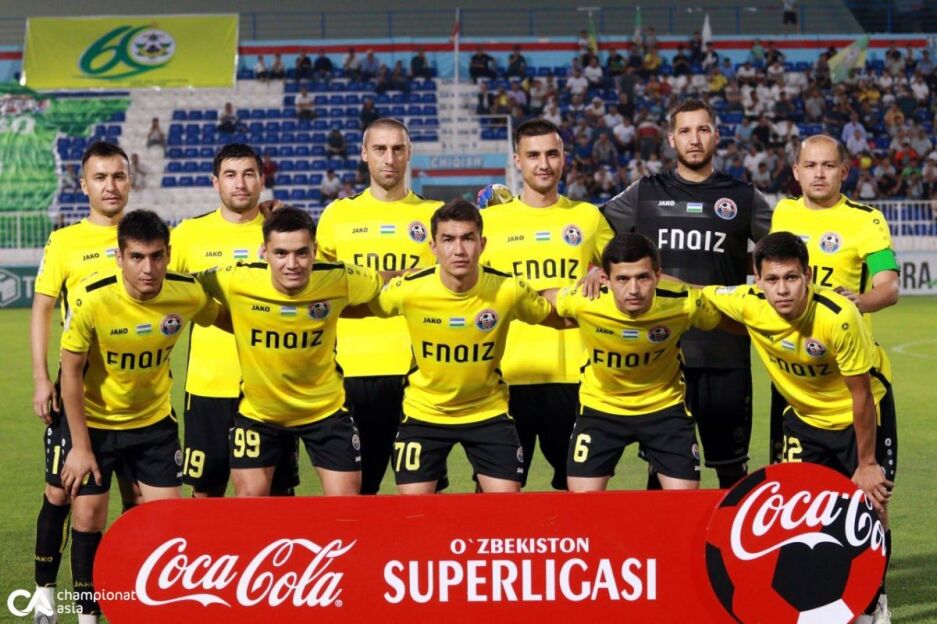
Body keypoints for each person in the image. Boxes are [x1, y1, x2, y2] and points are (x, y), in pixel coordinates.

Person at [702, 231, 895, 624]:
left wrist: (866, 463)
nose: (782, 289)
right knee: (803, 509)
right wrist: (620, 274)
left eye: (791, 277)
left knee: (870, 506)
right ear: (757, 280)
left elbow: (860, 394)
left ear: (808, 275)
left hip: (859, 413)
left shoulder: (839, 316)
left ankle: (874, 601)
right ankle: (811, 599)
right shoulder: (748, 302)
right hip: (803, 419)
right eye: (772, 279)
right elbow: (690, 294)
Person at [58, 210, 222, 622]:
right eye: (136, 257)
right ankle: (87, 615)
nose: (147, 269)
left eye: (156, 257)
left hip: (154, 426)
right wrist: (79, 447)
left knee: (168, 521)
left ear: (168, 255)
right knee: (88, 516)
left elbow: (227, 317)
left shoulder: (187, 292)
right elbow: (70, 374)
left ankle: (147, 606)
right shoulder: (91, 299)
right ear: (119, 257)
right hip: (96, 425)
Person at [601, 99, 773, 490]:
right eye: (685, 131)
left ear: (716, 135)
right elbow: (592, 231)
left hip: (724, 352)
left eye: (702, 130)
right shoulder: (645, 193)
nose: (694, 139)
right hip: (660, 356)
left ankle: (729, 533)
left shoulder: (743, 197)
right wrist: (598, 267)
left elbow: (781, 249)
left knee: (730, 470)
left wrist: (755, 271)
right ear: (671, 139)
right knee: (662, 472)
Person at [364, 200, 566, 494]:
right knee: (413, 509)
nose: (458, 250)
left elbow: (555, 312)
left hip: (487, 412)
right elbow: (355, 304)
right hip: (425, 413)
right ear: (433, 247)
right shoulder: (409, 289)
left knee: (506, 504)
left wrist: (600, 286)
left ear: (482, 244)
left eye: (467, 238)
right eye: (448, 239)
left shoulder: (507, 289)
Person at [30, 142, 143, 620]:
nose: (110, 186)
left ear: (130, 181)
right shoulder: (65, 241)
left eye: (118, 176)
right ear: (84, 185)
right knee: (62, 492)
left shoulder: (147, 237)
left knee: (135, 502)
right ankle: (44, 595)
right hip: (78, 388)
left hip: (139, 390)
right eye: (100, 177)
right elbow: (42, 309)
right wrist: (42, 378)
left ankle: (116, 599)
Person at [197, 208, 382, 498]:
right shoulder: (235, 278)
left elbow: (390, 283)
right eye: (281, 253)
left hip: (325, 411)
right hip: (260, 414)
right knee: (249, 501)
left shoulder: (340, 278)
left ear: (315, 251)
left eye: (302, 253)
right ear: (264, 252)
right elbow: (183, 286)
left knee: (346, 504)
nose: (292, 264)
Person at [478, 119, 615, 490]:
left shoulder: (587, 217)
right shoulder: (488, 222)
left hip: (575, 378)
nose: (543, 164)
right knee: (496, 497)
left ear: (564, 158)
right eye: (533, 155)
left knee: (578, 492)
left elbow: (623, 271)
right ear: (517, 160)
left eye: (552, 154)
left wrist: (602, 272)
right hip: (503, 377)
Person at [544, 233, 734, 491]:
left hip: (664, 408)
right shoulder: (585, 299)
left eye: (642, 277)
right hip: (601, 408)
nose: (633, 289)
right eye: (622, 279)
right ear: (606, 279)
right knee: (582, 502)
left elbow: (730, 319)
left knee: (685, 503)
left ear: (658, 275)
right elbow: (538, 301)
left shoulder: (683, 303)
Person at [315, 119, 443, 494]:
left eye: (398, 149)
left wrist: (364, 283)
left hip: (419, 375)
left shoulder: (435, 215)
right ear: (363, 154)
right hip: (349, 373)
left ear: (409, 153)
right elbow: (323, 289)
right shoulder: (337, 215)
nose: (389, 158)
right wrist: (403, 277)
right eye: (380, 149)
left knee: (421, 496)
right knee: (355, 495)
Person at [169, 143, 299, 499]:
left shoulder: (281, 233)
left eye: (248, 174)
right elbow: (159, 296)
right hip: (209, 387)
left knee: (275, 493)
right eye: (230, 175)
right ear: (216, 182)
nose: (240, 183)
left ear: (262, 180)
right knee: (206, 493)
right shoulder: (188, 235)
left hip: (270, 389)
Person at [768, 135, 900, 470]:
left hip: (847, 371)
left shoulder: (866, 220)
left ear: (844, 170)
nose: (819, 173)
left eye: (828, 165)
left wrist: (860, 301)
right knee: (797, 490)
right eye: (810, 165)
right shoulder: (784, 212)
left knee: (866, 489)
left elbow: (889, 287)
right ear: (796, 171)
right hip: (795, 377)